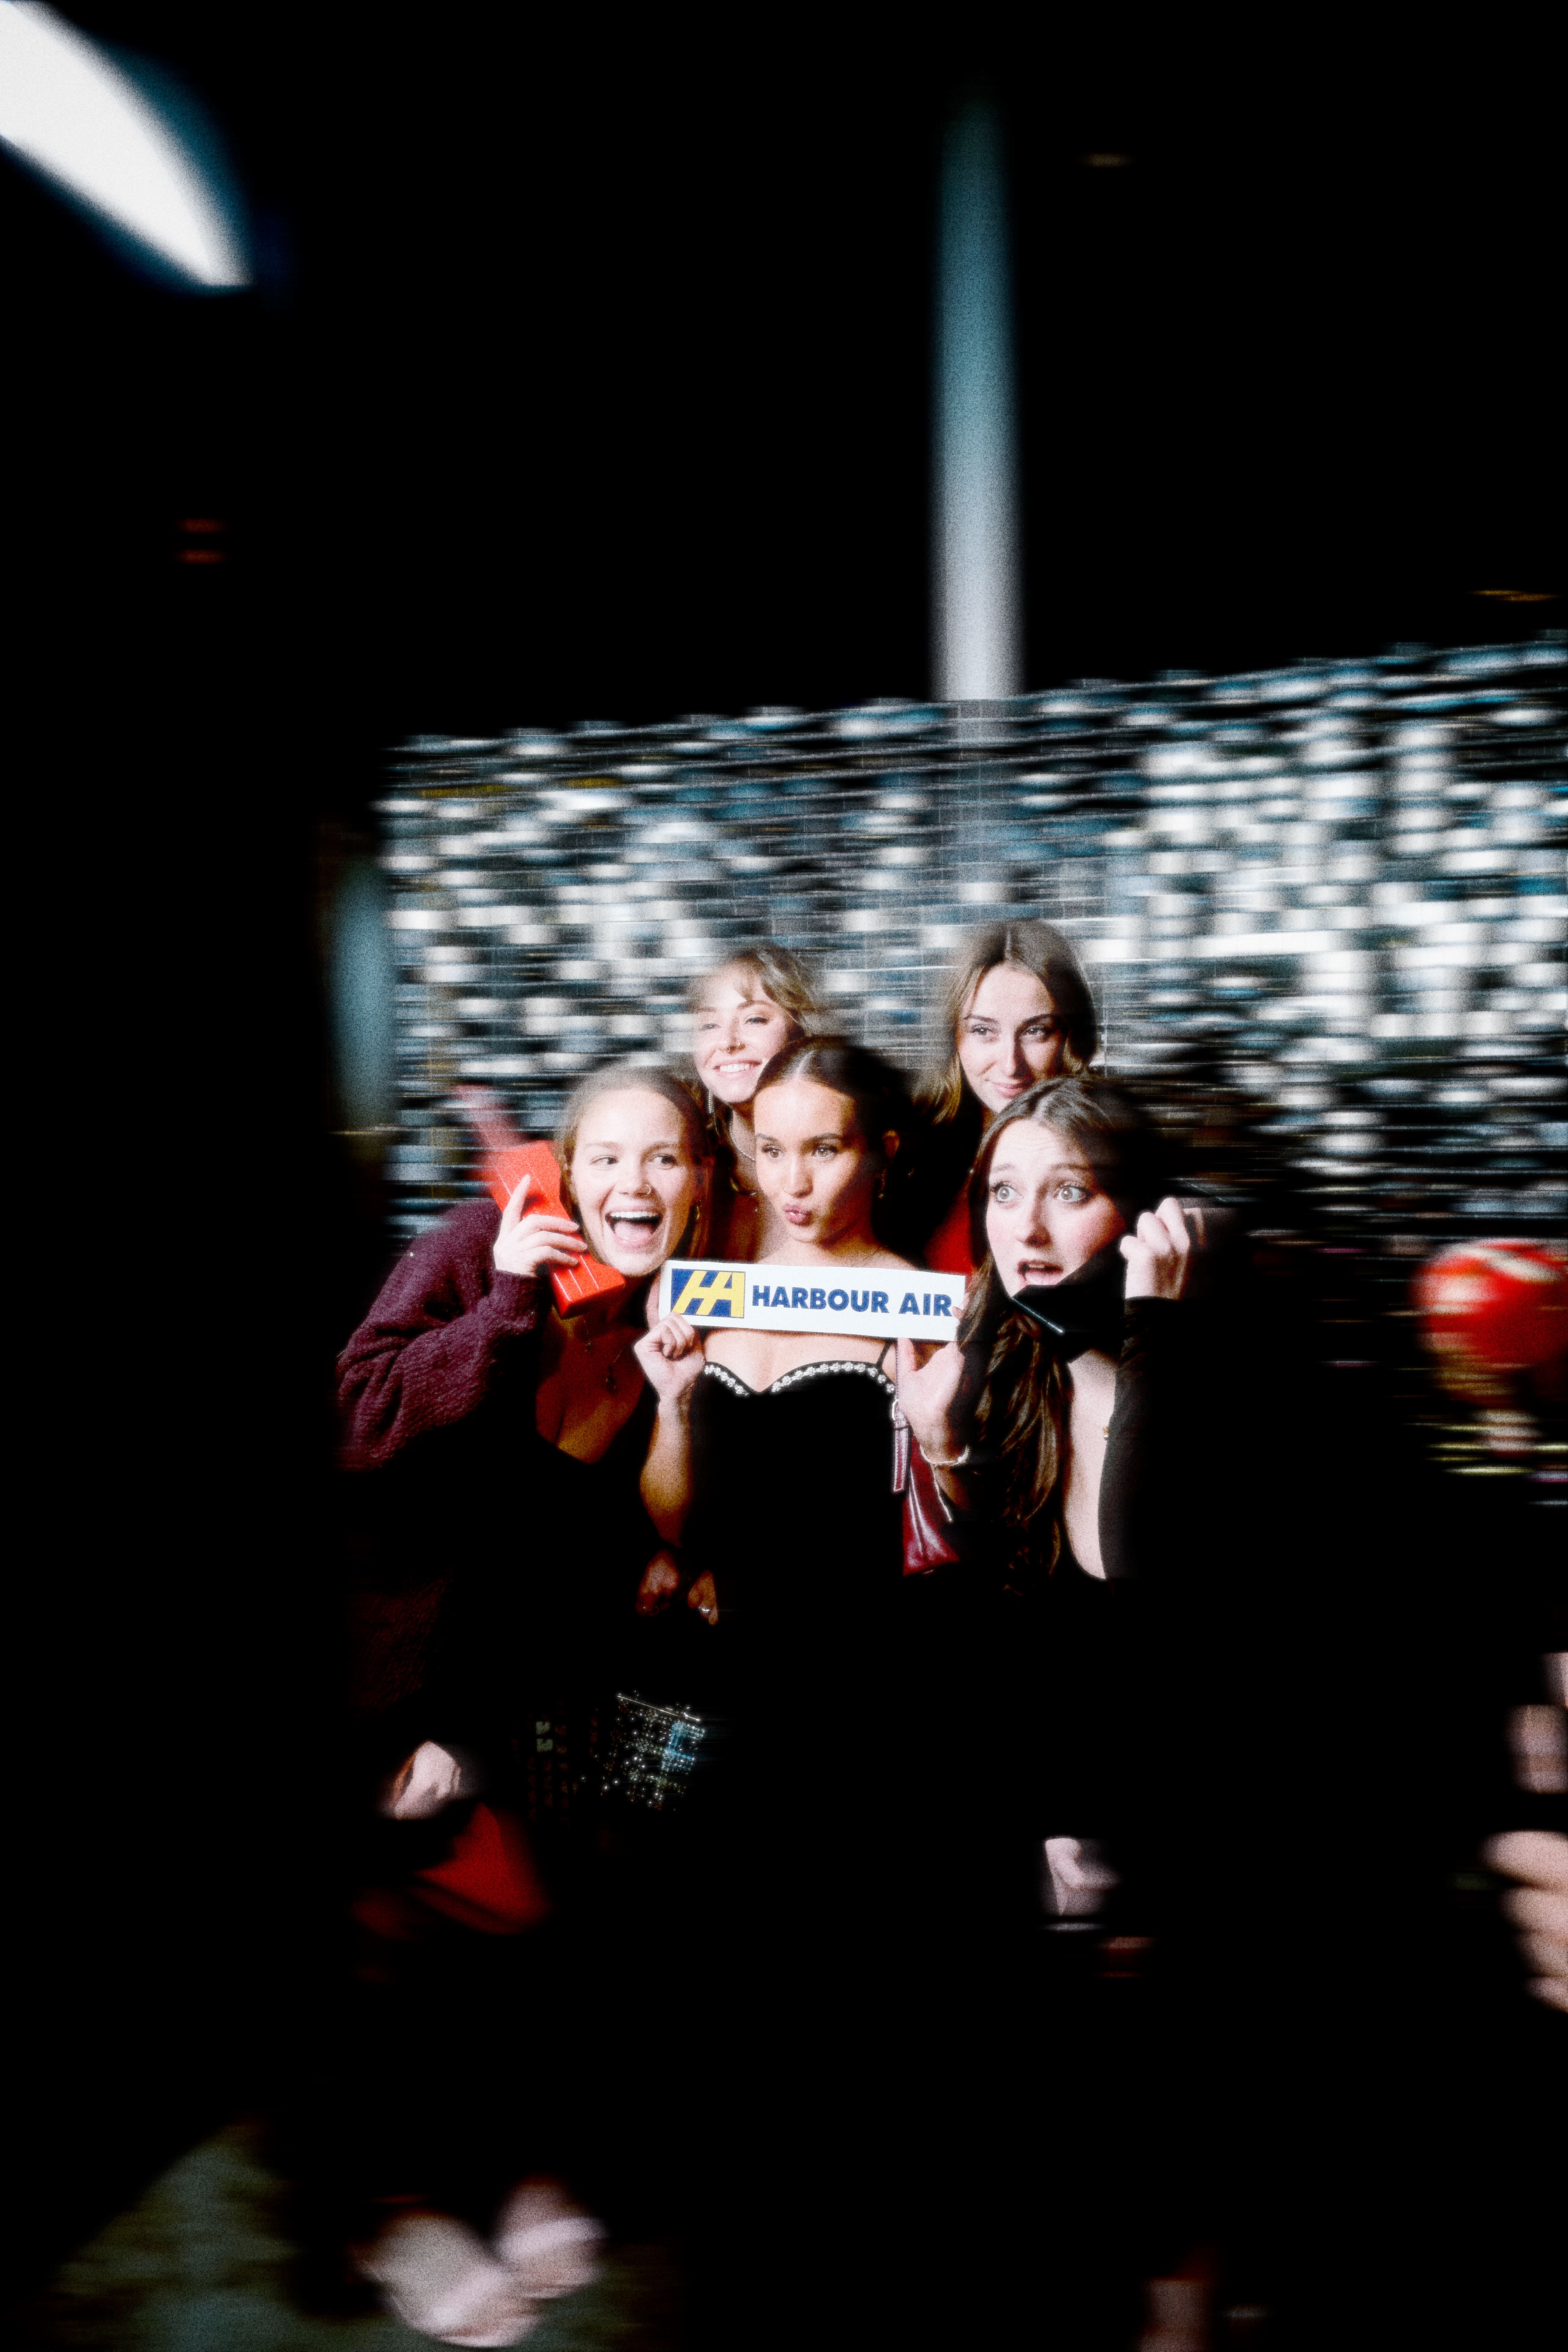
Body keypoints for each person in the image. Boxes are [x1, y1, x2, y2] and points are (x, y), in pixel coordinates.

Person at [325, 1063, 714, 2346]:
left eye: (666, 1160)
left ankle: (544, 2153)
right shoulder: (472, 1242)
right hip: (408, 1656)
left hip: (545, 1666)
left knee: (645, 1813)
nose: (634, 1186)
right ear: (561, 1160)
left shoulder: (686, 1297)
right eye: (607, 1157)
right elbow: (361, 1416)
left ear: (703, 1178)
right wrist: (500, 1294)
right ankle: (392, 2203)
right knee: (432, 1879)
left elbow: (604, 1541)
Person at [905, 919, 1099, 1274]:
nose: (1011, 1064)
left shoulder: (1105, 1156)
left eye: (1036, 1032)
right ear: (954, 1037)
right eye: (983, 1031)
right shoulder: (912, 1161)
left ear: (1070, 1038)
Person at [687, 943, 824, 1259]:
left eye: (754, 1020)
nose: (728, 1042)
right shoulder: (679, 1159)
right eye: (709, 1025)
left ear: (801, 1031)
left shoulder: (855, 1156)